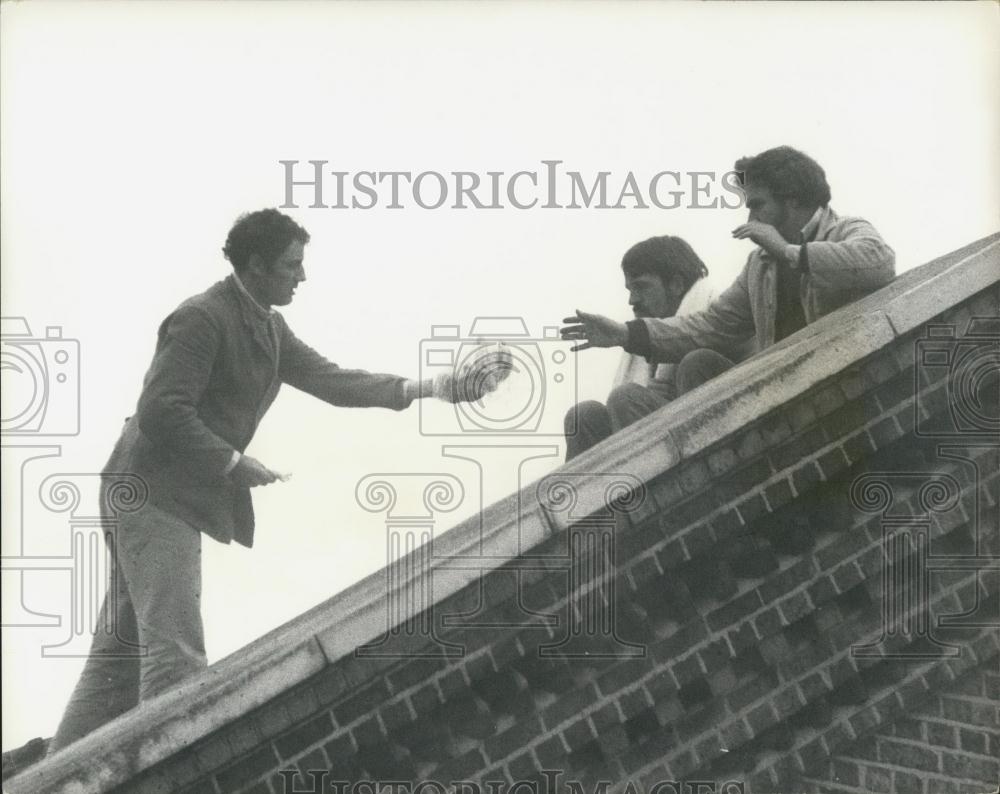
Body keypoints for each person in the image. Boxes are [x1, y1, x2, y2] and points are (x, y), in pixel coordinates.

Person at [48, 208, 502, 753]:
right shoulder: (202, 317)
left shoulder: (266, 324)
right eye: (292, 266)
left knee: (116, 665)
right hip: (149, 494)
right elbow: (162, 410)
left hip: (162, 496)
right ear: (257, 264)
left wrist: (438, 386)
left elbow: (332, 381)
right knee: (176, 661)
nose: (301, 277)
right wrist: (233, 464)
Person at [561, 146, 896, 393]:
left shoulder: (845, 229)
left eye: (757, 205)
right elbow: (711, 325)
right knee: (701, 363)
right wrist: (625, 334)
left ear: (792, 200)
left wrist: (788, 251)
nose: (750, 220)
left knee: (694, 365)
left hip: (853, 385)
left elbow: (878, 260)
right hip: (787, 389)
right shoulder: (759, 266)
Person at [564, 235, 720, 460]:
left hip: (703, 439)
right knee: (582, 416)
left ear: (676, 284)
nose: (632, 300)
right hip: (669, 432)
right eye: (629, 290)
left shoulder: (714, 310)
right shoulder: (644, 335)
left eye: (641, 287)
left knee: (626, 398)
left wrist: (655, 395)